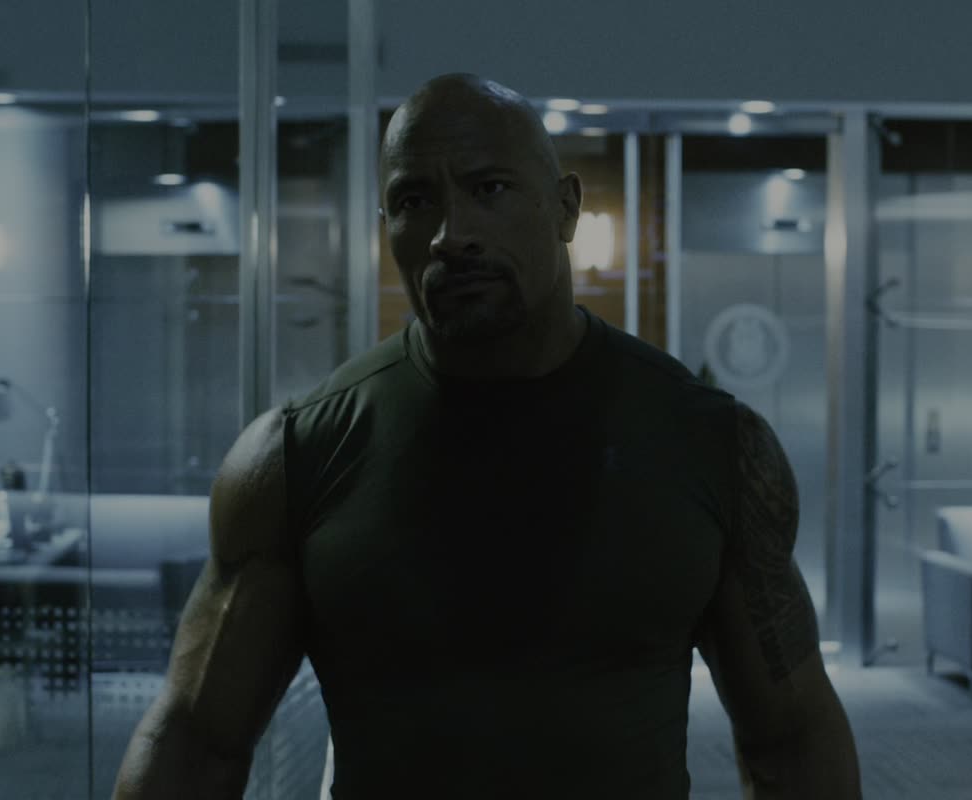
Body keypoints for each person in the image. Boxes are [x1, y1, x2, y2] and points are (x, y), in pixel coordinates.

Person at [114, 73, 860, 799]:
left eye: (490, 189)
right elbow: (195, 742)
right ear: (388, 230)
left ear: (565, 208)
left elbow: (790, 740)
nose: (452, 235)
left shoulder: (710, 444)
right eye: (415, 201)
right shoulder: (295, 456)